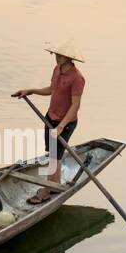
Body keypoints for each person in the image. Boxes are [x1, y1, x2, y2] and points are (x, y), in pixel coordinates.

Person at [12, 40, 85, 204]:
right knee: (52, 154)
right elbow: (52, 90)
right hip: (50, 117)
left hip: (65, 122)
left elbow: (75, 106)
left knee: (55, 156)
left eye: (62, 56)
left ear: (69, 58)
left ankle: (47, 189)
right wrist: (30, 91)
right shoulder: (57, 70)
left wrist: (61, 126)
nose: (58, 58)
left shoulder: (77, 78)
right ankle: (54, 185)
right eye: (57, 54)